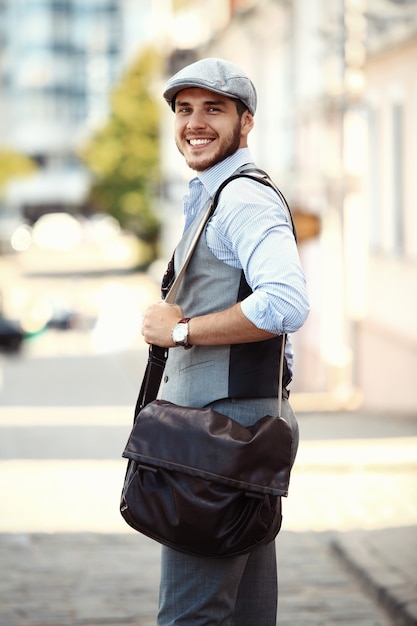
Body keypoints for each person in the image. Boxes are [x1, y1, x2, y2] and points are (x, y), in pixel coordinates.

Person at [141, 57, 310, 626]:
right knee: (245, 615)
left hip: (221, 441)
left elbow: (285, 303)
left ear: (246, 121)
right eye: (184, 109)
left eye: (214, 109)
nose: (195, 123)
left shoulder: (242, 198)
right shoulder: (213, 194)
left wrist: (181, 331)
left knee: (190, 617)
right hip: (237, 434)